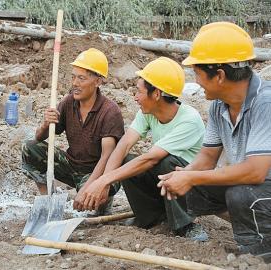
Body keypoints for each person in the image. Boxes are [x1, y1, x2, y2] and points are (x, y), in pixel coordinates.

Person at [158, 22, 271, 261]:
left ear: (219, 75)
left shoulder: (265, 103)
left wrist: (191, 177)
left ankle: (259, 256)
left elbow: (256, 172)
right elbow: (207, 157)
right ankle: (250, 223)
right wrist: (184, 174)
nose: (196, 81)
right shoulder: (220, 105)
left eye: (197, 73)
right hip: (254, 185)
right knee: (181, 179)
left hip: (259, 183)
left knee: (241, 194)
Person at [74, 57, 208, 240]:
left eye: (139, 91)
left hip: (192, 190)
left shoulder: (189, 120)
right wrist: (106, 182)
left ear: (157, 94)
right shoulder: (148, 112)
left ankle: (186, 225)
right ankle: (152, 219)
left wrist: (103, 182)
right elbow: (124, 145)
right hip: (165, 186)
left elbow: (150, 159)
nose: (135, 97)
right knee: (127, 160)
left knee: (166, 162)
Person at [22, 48, 124, 214]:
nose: (75, 83)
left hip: (99, 172)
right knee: (30, 148)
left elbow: (107, 157)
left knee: (89, 204)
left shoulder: (110, 112)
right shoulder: (69, 103)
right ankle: (47, 200)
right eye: (73, 77)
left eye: (81, 78)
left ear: (98, 82)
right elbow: (39, 137)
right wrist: (46, 123)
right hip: (71, 165)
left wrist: (87, 189)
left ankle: (103, 203)